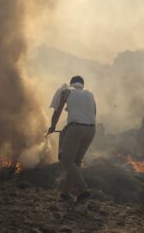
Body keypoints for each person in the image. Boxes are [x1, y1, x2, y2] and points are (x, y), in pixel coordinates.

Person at [47, 75, 96, 203]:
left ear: (72, 83)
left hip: (76, 129)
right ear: (82, 85)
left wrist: (53, 126)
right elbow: (94, 113)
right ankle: (65, 193)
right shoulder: (90, 94)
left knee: (66, 161)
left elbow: (58, 111)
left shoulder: (67, 91)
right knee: (76, 162)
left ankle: (84, 190)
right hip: (91, 130)